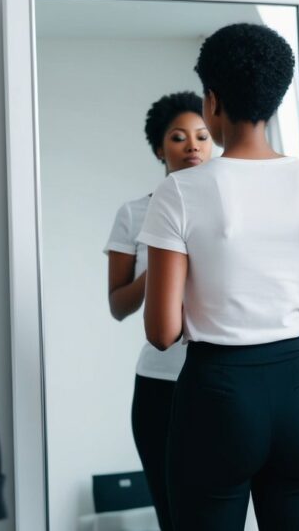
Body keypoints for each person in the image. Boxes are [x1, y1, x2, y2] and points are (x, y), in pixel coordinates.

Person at [138, 23, 299, 530]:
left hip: (216, 399)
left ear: (212, 101)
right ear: (276, 99)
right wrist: (287, 269)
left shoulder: (179, 193)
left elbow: (161, 333)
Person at [103, 91, 212, 531]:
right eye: (179, 137)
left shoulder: (229, 207)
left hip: (219, 379)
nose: (193, 146)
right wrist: (159, 266)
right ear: (158, 149)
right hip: (159, 386)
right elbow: (117, 305)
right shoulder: (134, 215)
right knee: (173, 515)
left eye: (203, 136)